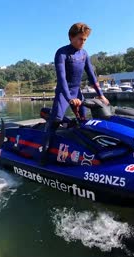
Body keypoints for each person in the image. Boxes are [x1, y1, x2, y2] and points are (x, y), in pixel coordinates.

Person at [41, 22, 109, 165]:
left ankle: (87, 153)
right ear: (71, 37)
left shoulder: (84, 54)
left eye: (85, 40)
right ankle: (43, 153)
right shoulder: (62, 53)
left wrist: (101, 95)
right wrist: (70, 98)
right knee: (56, 121)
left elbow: (91, 76)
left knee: (83, 121)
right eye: (80, 39)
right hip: (63, 93)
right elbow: (62, 78)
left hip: (77, 92)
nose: (82, 42)